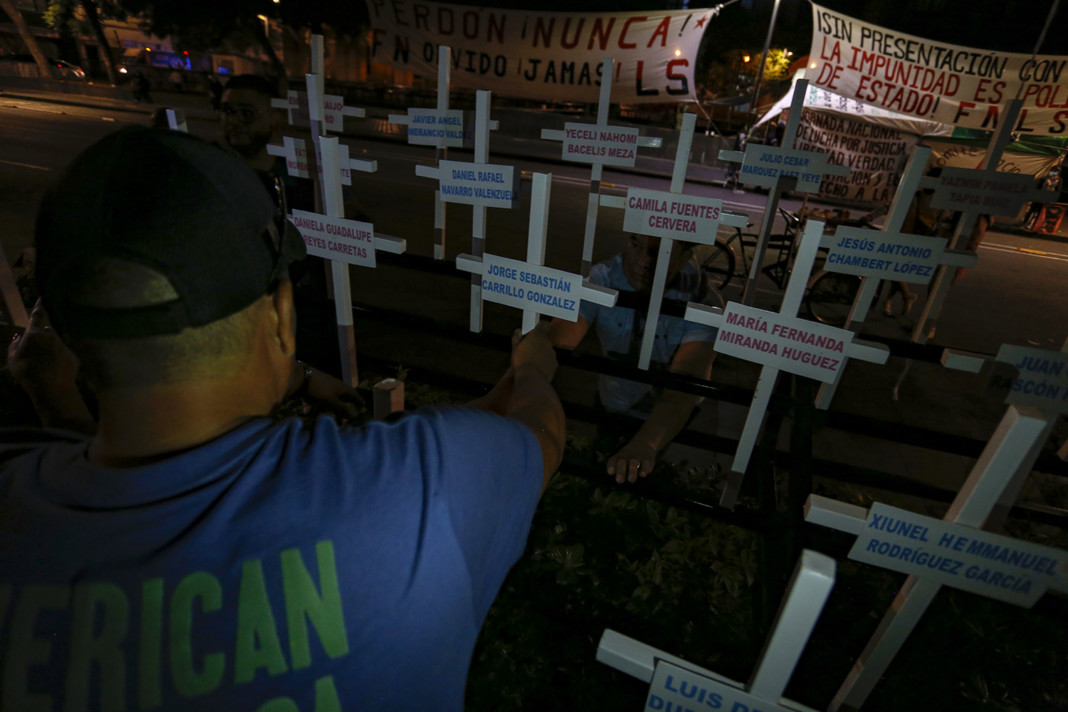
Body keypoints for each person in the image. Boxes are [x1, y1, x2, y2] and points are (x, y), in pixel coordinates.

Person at [0, 127, 565, 710]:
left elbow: (100, 503)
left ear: (62, 337)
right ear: (281, 314)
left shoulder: (16, 507)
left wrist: (52, 397)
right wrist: (531, 370)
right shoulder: (419, 482)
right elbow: (540, 436)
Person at [549, 234, 720, 484]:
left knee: (654, 478)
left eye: (660, 253)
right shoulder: (604, 277)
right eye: (636, 244)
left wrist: (646, 442)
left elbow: (687, 379)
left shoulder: (703, 299)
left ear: (685, 256)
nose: (643, 262)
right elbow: (558, 339)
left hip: (670, 414)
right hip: (612, 401)